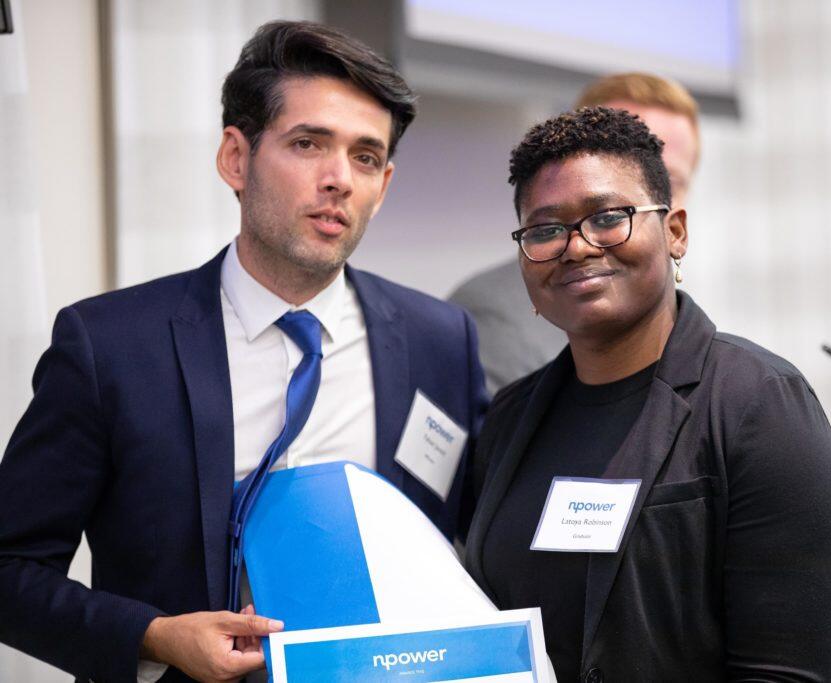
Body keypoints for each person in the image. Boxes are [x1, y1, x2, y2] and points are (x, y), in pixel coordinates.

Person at [0, 21, 487, 683]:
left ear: (385, 182)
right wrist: (154, 635)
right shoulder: (109, 347)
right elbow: (10, 569)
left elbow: (474, 539)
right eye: (309, 143)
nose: (339, 178)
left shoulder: (440, 339)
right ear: (236, 157)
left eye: (366, 156)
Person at [463, 107, 831, 680]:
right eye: (545, 230)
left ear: (675, 232)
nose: (577, 247)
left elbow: (783, 674)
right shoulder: (509, 420)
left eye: (608, 217)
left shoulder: (759, 404)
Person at [449, 73, 700, 395]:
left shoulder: (745, 389)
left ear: (677, 229)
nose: (580, 248)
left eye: (667, 179)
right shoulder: (497, 313)